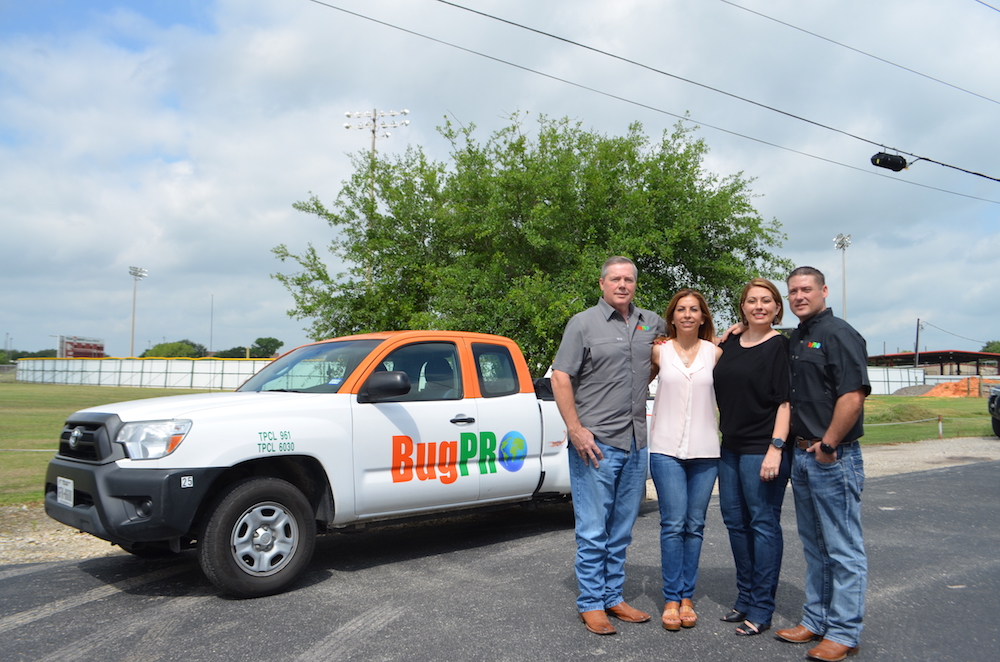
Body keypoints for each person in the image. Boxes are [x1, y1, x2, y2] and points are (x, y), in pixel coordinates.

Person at [551, 256, 666, 636]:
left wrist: (727, 336)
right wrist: (575, 429)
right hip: (596, 444)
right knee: (593, 529)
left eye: (628, 279)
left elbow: (683, 344)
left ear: (635, 284)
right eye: (615, 279)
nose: (622, 285)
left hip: (636, 443)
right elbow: (561, 377)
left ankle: (613, 596)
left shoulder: (650, 322)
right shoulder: (582, 324)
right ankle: (590, 603)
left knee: (621, 529)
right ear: (602, 284)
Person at [773, 266, 871, 662]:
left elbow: (852, 396)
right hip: (802, 455)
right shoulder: (798, 336)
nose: (798, 296)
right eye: (793, 291)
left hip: (833, 456)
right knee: (815, 547)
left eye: (806, 289)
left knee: (843, 548)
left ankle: (845, 631)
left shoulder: (839, 334)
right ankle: (816, 620)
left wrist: (829, 444)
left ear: (823, 290)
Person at [713, 277, 791, 637]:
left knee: (762, 524)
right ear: (742, 307)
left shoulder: (780, 347)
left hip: (763, 448)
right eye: (751, 301)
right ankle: (744, 598)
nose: (759, 306)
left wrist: (776, 448)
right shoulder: (729, 343)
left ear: (777, 308)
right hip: (729, 446)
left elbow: (785, 402)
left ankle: (762, 607)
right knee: (735, 523)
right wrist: (726, 336)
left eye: (766, 301)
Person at [648, 289, 720, 632]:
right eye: (681, 309)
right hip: (665, 451)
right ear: (672, 317)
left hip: (706, 452)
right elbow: (631, 385)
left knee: (695, 526)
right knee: (673, 525)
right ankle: (672, 598)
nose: (688, 314)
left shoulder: (716, 352)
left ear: (703, 316)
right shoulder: (659, 351)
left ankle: (687, 596)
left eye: (694, 309)